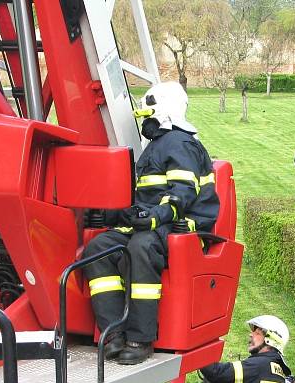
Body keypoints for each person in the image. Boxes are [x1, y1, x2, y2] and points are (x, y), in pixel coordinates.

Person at [82, 81, 218, 365]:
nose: (146, 118)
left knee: (140, 248)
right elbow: (143, 199)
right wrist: (112, 216)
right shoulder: (156, 146)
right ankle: (113, 334)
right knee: (98, 247)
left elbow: (183, 192)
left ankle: (140, 339)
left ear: (165, 109)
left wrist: (156, 217)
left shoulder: (180, 143)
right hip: (153, 225)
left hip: (183, 226)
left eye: (149, 112)